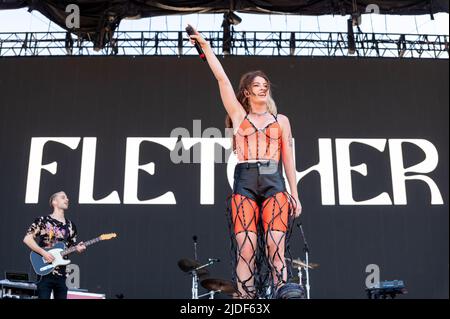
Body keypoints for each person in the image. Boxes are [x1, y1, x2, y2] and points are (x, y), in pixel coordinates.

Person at [188, 26, 303, 299]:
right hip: (246, 178)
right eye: (257, 86)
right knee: (247, 247)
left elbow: (289, 159)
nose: (262, 89)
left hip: (274, 179)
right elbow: (222, 80)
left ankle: (281, 292)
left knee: (276, 245)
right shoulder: (239, 116)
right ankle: (245, 298)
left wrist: (295, 194)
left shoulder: (281, 121)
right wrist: (205, 47)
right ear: (247, 92)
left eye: (265, 85)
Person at [23, 191, 86, 299]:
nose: (67, 199)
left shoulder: (71, 226)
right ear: (54, 202)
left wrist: (78, 248)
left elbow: (71, 246)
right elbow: (27, 239)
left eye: (67, 197)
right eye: (63, 197)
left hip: (62, 274)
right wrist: (43, 253)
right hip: (45, 271)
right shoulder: (43, 220)